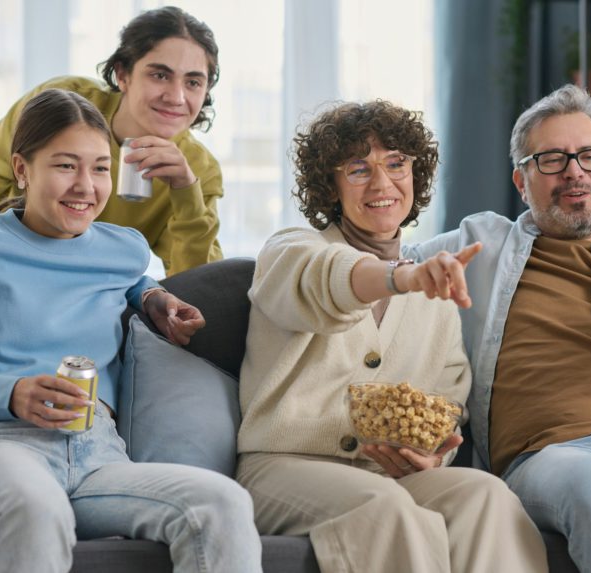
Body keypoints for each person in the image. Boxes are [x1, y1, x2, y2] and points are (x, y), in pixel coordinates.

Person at [0, 88, 261, 573]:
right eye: (66, 166)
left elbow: (129, 280)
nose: (86, 186)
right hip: (6, 446)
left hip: (99, 455)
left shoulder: (123, 248)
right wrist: (12, 393)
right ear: (22, 169)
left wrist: (154, 298)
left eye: (101, 167)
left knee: (221, 504)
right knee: (36, 512)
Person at [234, 100, 547, 573]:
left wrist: (431, 454)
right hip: (281, 469)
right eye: (358, 169)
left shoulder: (435, 292)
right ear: (331, 186)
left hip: (386, 475)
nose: (382, 183)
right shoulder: (292, 251)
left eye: (397, 163)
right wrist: (401, 277)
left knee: (487, 496)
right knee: (385, 508)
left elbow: (445, 398)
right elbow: (329, 279)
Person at [406, 83, 591, 572]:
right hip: (556, 460)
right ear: (522, 182)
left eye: (588, 156)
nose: (575, 172)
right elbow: (373, 265)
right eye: (553, 159)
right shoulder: (479, 245)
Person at [0, 6, 223, 275]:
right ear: (123, 74)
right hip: (6, 268)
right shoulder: (64, 105)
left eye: (193, 82)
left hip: (92, 298)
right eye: (160, 75)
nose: (176, 97)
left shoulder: (197, 170)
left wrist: (186, 193)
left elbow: (198, 283)